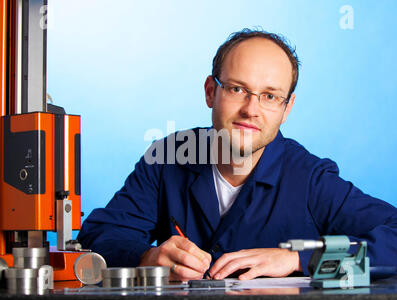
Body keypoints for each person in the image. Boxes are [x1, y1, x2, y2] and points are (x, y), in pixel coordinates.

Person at [77, 29, 397, 282]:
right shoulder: (166, 158)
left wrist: (301, 259)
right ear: (210, 91)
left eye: (270, 96)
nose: (251, 110)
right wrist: (145, 258)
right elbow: (99, 234)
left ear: (287, 109)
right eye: (237, 89)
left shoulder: (310, 179)